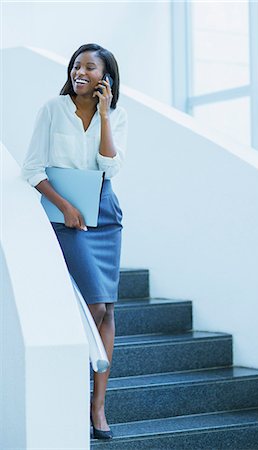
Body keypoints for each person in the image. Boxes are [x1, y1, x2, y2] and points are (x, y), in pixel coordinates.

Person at [22, 43, 128, 440]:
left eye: (89, 67)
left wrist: (103, 116)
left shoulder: (116, 115)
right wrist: (64, 206)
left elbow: (111, 167)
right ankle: (72, 388)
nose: (79, 72)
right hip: (68, 215)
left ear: (107, 78)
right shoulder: (52, 109)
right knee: (95, 305)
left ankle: (98, 408)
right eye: (75, 65)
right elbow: (32, 168)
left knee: (109, 309)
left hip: (105, 213)